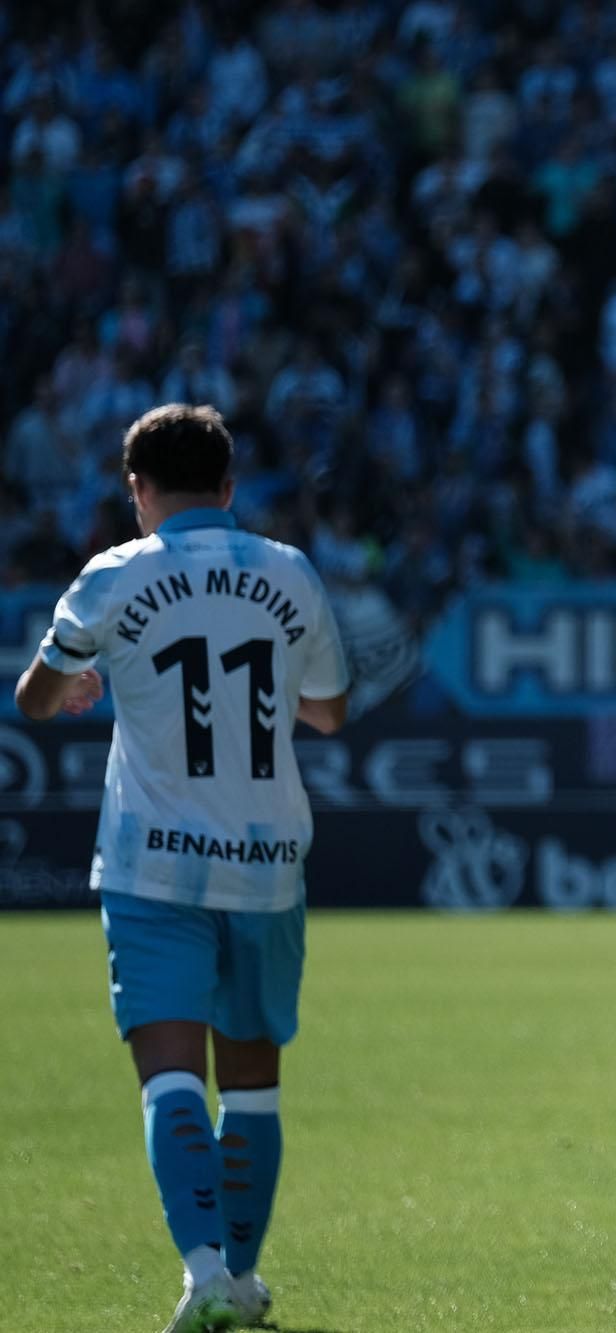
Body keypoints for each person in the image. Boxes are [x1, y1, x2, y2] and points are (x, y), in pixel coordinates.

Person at [13, 404, 350, 1332]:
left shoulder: (116, 574)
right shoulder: (289, 571)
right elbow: (329, 710)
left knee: (170, 1077)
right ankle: (242, 1278)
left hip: (153, 860)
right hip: (267, 860)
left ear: (138, 492)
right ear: (231, 488)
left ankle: (203, 1271)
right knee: (252, 1082)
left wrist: (81, 680)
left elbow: (36, 697)